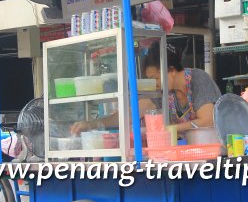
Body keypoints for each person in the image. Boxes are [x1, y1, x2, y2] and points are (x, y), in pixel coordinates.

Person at [71, 42, 221, 135]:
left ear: (171, 70)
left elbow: (208, 120)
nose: (154, 83)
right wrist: (91, 124)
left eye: (156, 78)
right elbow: (130, 114)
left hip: (214, 153)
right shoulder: (164, 92)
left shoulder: (198, 79)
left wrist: (171, 129)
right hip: (187, 151)